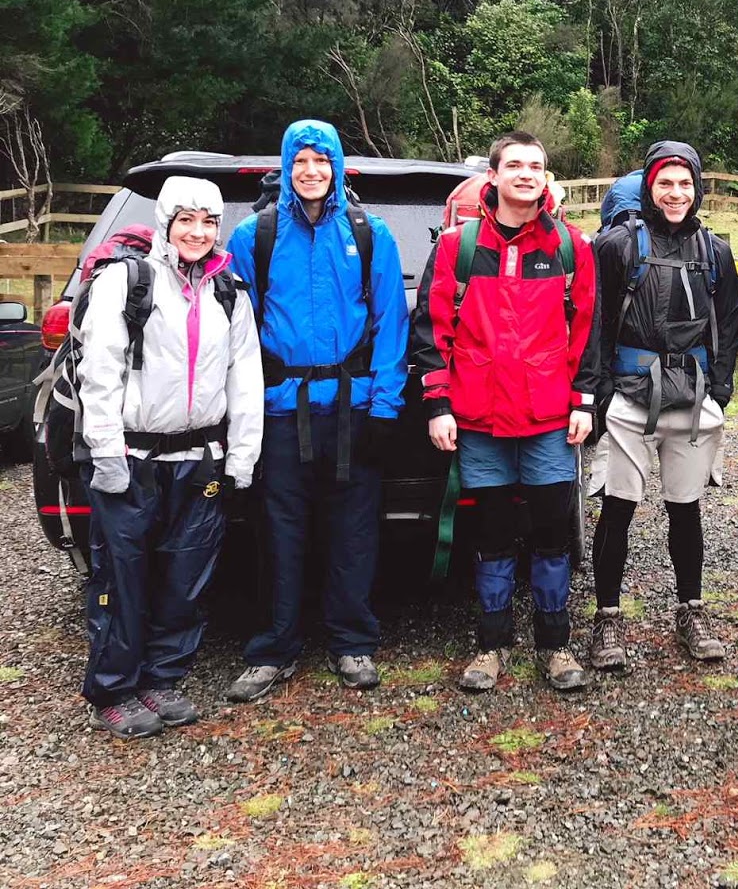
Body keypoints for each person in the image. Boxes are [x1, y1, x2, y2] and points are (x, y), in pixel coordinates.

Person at [223, 120, 408, 702]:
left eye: (321, 161)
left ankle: (353, 640)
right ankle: (274, 647)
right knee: (279, 533)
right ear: (285, 167)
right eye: (301, 161)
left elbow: (390, 324)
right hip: (282, 411)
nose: (311, 171)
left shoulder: (368, 232)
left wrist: (384, 407)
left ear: (337, 168)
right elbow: (237, 330)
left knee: (353, 533)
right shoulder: (255, 235)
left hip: (352, 409)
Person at [411, 132, 601, 692]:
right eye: (514, 164)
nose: (525, 174)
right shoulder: (456, 248)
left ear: (547, 178)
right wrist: (438, 404)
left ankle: (556, 644)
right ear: (492, 176)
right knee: (491, 535)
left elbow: (589, 334)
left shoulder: (571, 248)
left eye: (536, 166)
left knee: (551, 536)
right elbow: (431, 331)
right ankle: (491, 646)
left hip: (548, 420)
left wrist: (584, 402)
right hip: (478, 418)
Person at [78, 177, 263, 738]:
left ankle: (162, 678)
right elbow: (100, 370)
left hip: (199, 457)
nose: (198, 232)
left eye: (208, 222)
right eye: (186, 220)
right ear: (165, 222)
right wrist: (105, 451)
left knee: (185, 577)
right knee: (123, 576)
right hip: (132, 455)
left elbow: (245, 377)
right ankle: (115, 687)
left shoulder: (228, 290)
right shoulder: (126, 281)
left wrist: (242, 456)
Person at [589, 142, 738, 669]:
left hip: (692, 396)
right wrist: (600, 393)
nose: (676, 194)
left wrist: (720, 391)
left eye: (685, 184)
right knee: (618, 507)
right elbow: (597, 321)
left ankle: (691, 610)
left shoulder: (715, 251)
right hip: (629, 396)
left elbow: (729, 324)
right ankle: (606, 618)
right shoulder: (616, 247)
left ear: (697, 187)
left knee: (685, 508)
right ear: (649, 187)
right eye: (665, 184)